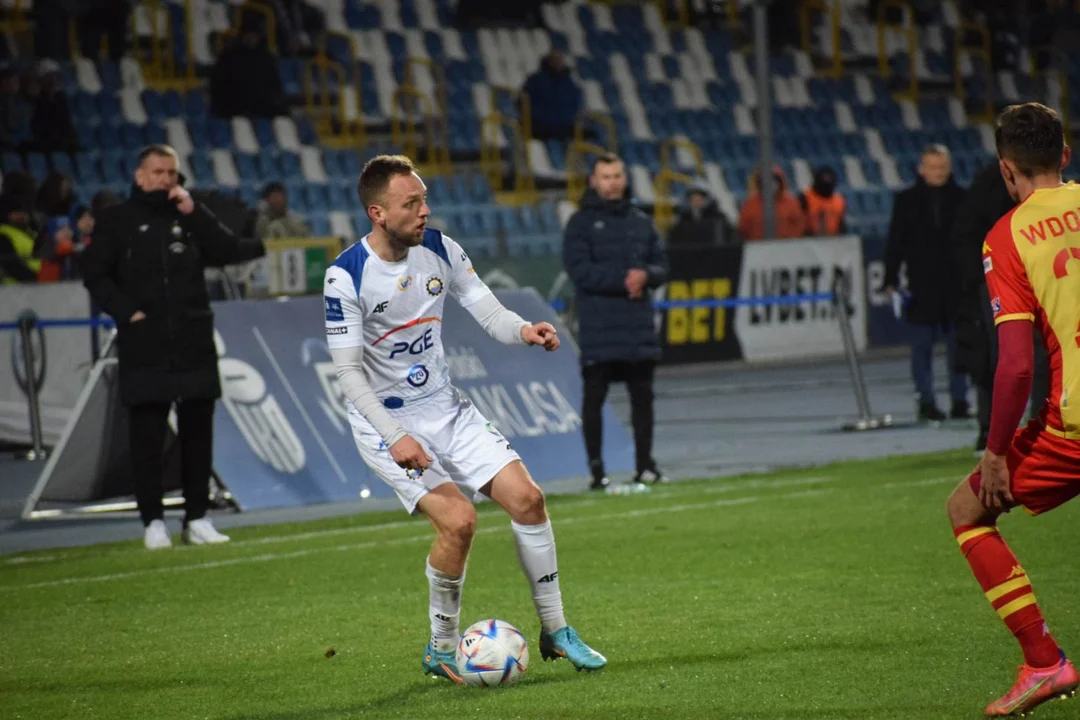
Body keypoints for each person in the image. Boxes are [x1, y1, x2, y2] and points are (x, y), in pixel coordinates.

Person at [324, 155, 607, 681]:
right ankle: (441, 647)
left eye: (425, 200)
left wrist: (523, 331)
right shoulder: (346, 275)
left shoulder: (440, 249)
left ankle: (556, 629)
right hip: (386, 422)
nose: (424, 211)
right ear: (377, 213)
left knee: (529, 500)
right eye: (411, 203)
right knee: (459, 522)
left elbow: (489, 311)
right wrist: (395, 436)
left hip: (446, 407)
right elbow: (348, 373)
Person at [945, 102, 1080, 718]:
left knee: (967, 510)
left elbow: (1017, 366)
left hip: (1072, 426)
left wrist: (996, 451)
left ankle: (1045, 662)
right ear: (1065, 155)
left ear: (1006, 168)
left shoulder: (1008, 236)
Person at [80, 144, 266, 549]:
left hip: (192, 339)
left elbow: (228, 251)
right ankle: (153, 522)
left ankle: (197, 518)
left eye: (172, 173)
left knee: (198, 434)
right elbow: (93, 273)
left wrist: (195, 212)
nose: (166, 179)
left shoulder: (189, 215)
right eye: (158, 172)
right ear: (140, 176)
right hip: (144, 344)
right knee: (146, 437)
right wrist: (127, 313)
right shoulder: (117, 220)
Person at [563, 153, 669, 490]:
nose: (613, 183)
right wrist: (625, 280)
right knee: (594, 399)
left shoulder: (641, 221)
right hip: (599, 328)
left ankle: (645, 466)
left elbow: (662, 264)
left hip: (638, 327)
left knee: (643, 398)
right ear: (593, 181)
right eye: (606, 177)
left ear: (625, 179)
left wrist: (647, 275)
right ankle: (597, 471)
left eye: (617, 176)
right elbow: (579, 270)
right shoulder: (580, 223)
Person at [884, 145, 970, 422]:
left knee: (959, 347)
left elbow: (974, 242)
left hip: (957, 286)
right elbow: (895, 242)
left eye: (942, 167)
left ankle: (960, 400)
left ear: (949, 168)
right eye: (932, 167)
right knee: (921, 348)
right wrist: (890, 278)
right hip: (921, 287)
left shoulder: (964, 199)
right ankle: (926, 400)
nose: (937, 172)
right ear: (922, 169)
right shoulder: (906, 200)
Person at [950, 161, 1017, 452]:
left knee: (999, 358)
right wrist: (981, 279)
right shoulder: (990, 185)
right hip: (996, 283)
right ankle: (994, 430)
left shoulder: (986, 185)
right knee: (998, 358)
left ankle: (993, 430)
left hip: (995, 282)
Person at [737, 165, 808, 240]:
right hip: (758, 244)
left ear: (780, 182)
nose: (770, 184)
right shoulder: (750, 203)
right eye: (766, 181)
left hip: (787, 244)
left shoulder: (791, 202)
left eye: (774, 180)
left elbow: (799, 224)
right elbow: (743, 227)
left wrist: (790, 239)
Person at [667, 180, 737, 248]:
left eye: (699, 197)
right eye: (693, 198)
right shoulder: (682, 222)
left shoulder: (719, 220)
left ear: (707, 198)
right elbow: (673, 244)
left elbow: (732, 242)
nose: (696, 201)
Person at [800, 166, 847, 236]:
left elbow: (841, 224)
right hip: (810, 239)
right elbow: (799, 223)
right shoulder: (805, 197)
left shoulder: (839, 200)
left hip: (834, 239)